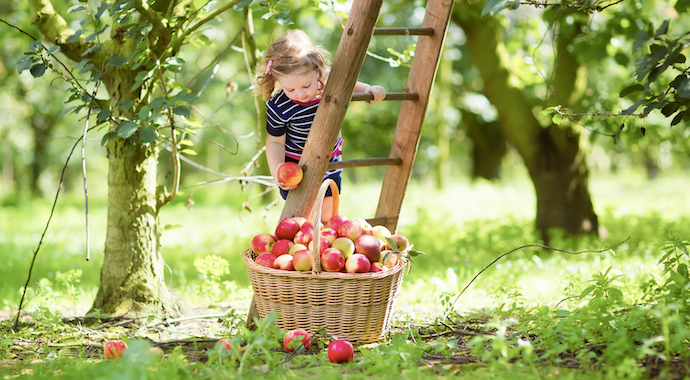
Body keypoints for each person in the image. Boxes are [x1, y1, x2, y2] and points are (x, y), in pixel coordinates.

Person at [253, 30, 386, 222]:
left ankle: (323, 244)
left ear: (317, 71)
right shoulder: (278, 107)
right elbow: (274, 142)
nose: (300, 93)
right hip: (297, 166)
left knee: (327, 215)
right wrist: (277, 171)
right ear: (277, 80)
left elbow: (348, 84)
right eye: (290, 89)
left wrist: (367, 90)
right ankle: (304, 248)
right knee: (301, 216)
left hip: (329, 161)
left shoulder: (327, 83)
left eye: (306, 86)